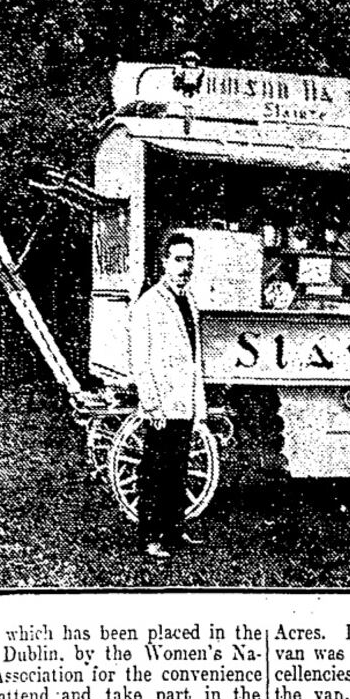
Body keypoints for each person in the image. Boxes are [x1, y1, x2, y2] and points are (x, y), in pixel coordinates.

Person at [131, 232, 206, 558]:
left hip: (184, 402)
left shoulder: (189, 301)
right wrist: (151, 404)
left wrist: (197, 403)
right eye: (178, 259)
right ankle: (150, 537)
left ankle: (175, 530)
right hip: (162, 403)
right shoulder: (148, 304)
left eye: (189, 259)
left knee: (178, 470)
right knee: (155, 472)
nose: (185, 266)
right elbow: (140, 361)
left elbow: (193, 358)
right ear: (163, 262)